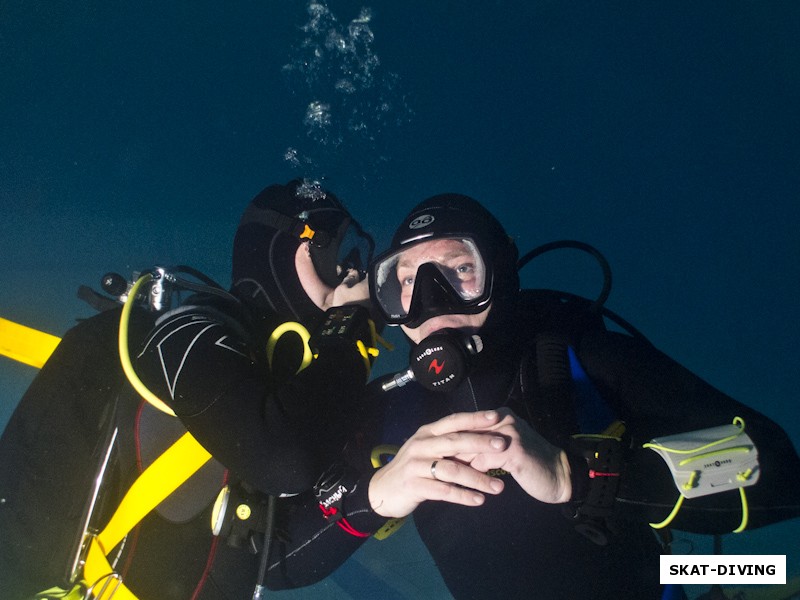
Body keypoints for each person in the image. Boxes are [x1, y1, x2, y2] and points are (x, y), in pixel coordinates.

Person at [260, 193, 800, 599]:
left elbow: (778, 468)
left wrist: (577, 477)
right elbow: (269, 562)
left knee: (756, 566)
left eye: (460, 270)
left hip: (659, 583)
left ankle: (741, 579)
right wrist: (372, 496)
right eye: (404, 283)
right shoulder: (392, 416)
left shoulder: (578, 360)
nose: (429, 300)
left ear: (502, 271)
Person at [0, 179, 380, 599]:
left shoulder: (277, 386)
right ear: (279, 251)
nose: (352, 273)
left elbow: (274, 561)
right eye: (339, 253)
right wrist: (347, 338)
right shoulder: (185, 332)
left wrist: (381, 497)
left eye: (359, 256)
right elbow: (284, 463)